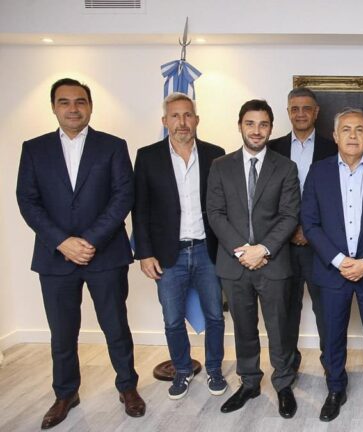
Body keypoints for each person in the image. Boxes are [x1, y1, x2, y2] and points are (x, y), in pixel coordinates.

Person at [16, 78, 145, 429]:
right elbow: (27, 201)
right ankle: (65, 393)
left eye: (80, 101)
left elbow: (123, 196)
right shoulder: (34, 149)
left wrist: (89, 240)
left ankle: (127, 387)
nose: (73, 108)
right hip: (55, 257)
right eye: (64, 102)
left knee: (115, 326)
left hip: (105, 255)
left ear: (90, 106)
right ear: (54, 107)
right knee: (62, 333)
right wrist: (62, 242)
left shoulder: (113, 146)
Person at [301, 108, 363, 422]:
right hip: (332, 271)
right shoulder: (318, 172)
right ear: (335, 136)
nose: (353, 135)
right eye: (346, 129)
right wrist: (340, 260)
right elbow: (310, 223)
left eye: (359, 129)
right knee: (332, 335)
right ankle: (335, 389)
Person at [206, 99, 301, 418]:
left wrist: (262, 249)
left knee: (279, 328)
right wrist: (242, 250)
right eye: (250, 123)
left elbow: (289, 215)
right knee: (244, 328)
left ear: (271, 128)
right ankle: (249, 383)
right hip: (234, 264)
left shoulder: (285, 167)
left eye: (263, 124)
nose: (257, 130)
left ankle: (284, 384)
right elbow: (215, 214)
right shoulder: (220, 166)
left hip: (273, 262)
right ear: (240, 126)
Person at [132, 92, 227, 399]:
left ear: (196, 120)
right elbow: (140, 209)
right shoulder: (148, 157)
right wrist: (144, 253)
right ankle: (182, 371)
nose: (182, 122)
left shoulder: (216, 155)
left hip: (207, 251)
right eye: (175, 116)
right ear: (165, 121)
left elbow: (225, 205)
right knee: (173, 320)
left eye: (187, 115)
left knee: (215, 316)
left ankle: (214, 370)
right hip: (167, 254)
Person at [268, 87, 337, 374]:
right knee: (284, 311)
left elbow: (336, 199)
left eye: (306, 108)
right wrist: (289, 230)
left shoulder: (333, 148)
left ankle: (331, 368)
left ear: (316, 112)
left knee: (326, 311)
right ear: (288, 112)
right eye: (294, 108)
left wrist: (310, 230)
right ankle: (287, 369)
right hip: (281, 246)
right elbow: (267, 199)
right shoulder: (272, 149)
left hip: (320, 245)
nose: (300, 114)